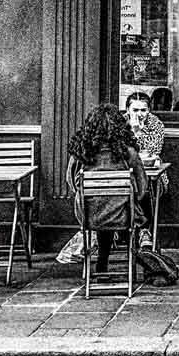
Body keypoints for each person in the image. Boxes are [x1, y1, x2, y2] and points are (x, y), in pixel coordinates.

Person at [65, 103, 153, 271]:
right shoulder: (129, 153)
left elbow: (71, 182)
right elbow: (142, 189)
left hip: (89, 217)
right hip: (123, 216)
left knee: (103, 206)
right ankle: (133, 258)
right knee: (119, 206)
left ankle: (102, 261)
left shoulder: (81, 153)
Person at [125, 91, 165, 160]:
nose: (139, 114)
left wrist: (138, 132)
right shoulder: (121, 122)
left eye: (143, 110)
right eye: (135, 110)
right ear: (128, 110)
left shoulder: (156, 123)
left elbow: (155, 151)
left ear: (148, 110)